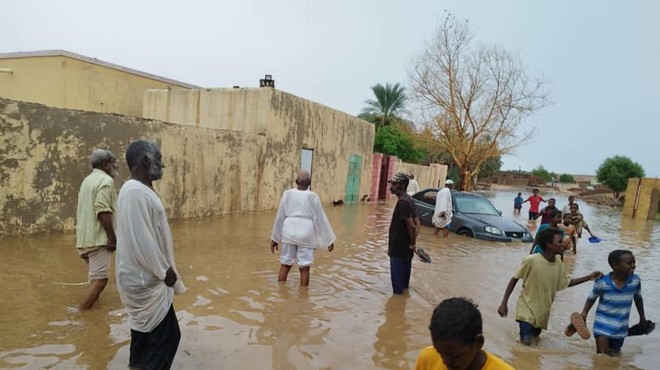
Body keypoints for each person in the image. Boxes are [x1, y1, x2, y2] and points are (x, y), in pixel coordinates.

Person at [116, 140, 186, 370]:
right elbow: (141, 241)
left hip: (141, 276)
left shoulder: (139, 190)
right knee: (168, 338)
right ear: (146, 160)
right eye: (159, 158)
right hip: (146, 279)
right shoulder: (134, 192)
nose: (163, 164)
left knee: (144, 338)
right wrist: (165, 272)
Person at [498, 228, 602, 346]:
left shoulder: (558, 263)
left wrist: (589, 277)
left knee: (535, 340)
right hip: (526, 307)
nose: (564, 243)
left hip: (542, 312)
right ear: (548, 244)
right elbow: (514, 279)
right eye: (559, 241)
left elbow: (565, 283)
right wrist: (504, 303)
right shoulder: (531, 260)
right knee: (526, 342)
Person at [576, 250, 649, 355]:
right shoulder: (602, 283)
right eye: (629, 263)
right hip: (602, 325)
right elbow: (591, 298)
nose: (633, 266)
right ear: (615, 265)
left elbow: (638, 298)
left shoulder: (635, 281)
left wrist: (642, 318)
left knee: (614, 355)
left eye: (634, 262)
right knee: (602, 356)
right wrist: (584, 313)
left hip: (621, 327)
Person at [270, 170, 336, 286]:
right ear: (309, 182)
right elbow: (321, 219)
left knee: (285, 264)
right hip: (306, 233)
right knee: (305, 267)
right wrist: (328, 239)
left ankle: (280, 292)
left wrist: (275, 238)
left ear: (296, 181)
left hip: (288, 232)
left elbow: (280, 216)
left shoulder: (287, 194)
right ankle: (304, 297)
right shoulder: (313, 197)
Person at [415, 297, 514, 370]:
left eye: (455, 356)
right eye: (440, 353)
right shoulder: (427, 358)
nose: (446, 361)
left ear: (478, 343)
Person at [75, 149, 119, 309]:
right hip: (99, 239)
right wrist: (112, 238)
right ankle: (81, 314)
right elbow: (102, 209)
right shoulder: (106, 181)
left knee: (95, 280)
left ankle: (94, 321)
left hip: (84, 240)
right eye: (114, 162)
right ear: (106, 165)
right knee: (101, 281)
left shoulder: (87, 181)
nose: (117, 166)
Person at [388, 172, 421, 294]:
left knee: (397, 291)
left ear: (402, 185)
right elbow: (418, 224)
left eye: (394, 184)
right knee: (404, 287)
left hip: (398, 250)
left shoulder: (403, 202)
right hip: (406, 250)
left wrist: (412, 243)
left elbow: (412, 226)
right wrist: (412, 244)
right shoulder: (410, 200)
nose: (391, 187)